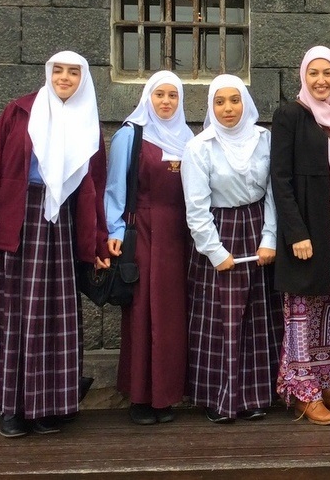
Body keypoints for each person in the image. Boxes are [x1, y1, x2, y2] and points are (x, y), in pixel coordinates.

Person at [0, 51, 109, 438]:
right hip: (18, 222)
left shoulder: (88, 125)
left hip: (61, 225)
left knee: (55, 316)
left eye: (73, 72)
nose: (65, 78)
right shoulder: (19, 112)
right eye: (58, 70)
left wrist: (96, 242)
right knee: (15, 315)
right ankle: (12, 408)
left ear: (83, 78)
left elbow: (94, 188)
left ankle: (48, 406)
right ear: (48, 73)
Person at [270, 45, 330, 425]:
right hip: (309, 226)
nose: (321, 81)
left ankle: (327, 382)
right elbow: (280, 178)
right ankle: (302, 391)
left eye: (328, 73)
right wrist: (296, 233)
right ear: (303, 77)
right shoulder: (290, 115)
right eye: (314, 74)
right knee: (304, 311)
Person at [182, 74, 280, 423]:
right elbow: (195, 208)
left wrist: (270, 238)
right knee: (221, 317)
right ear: (211, 105)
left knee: (256, 315)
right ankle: (218, 398)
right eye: (220, 101)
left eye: (234, 100)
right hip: (219, 232)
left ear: (245, 102)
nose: (228, 108)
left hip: (256, 229)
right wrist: (215, 251)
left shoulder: (265, 140)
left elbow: (273, 192)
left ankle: (254, 396)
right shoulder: (199, 147)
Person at [105, 70, 193, 425]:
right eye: (160, 95)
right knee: (142, 312)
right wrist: (113, 228)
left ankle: (166, 396)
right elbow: (114, 187)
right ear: (148, 98)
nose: (167, 102)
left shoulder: (188, 138)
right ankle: (141, 397)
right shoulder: (131, 135)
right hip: (142, 230)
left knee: (172, 315)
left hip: (179, 236)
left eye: (173, 95)